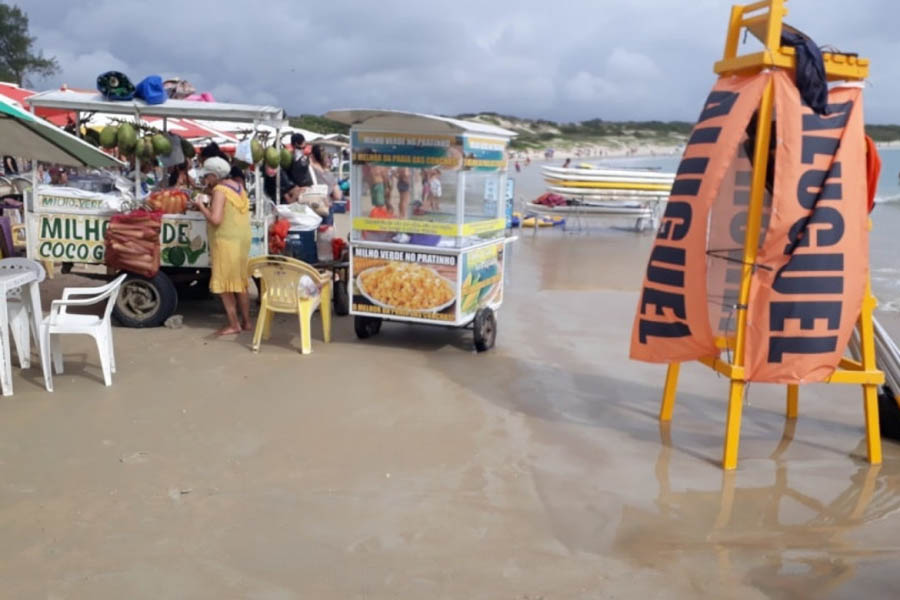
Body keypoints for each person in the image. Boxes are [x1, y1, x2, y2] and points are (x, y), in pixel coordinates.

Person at [192, 157, 252, 336]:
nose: (205, 180)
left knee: (225, 284)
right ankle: (247, 322)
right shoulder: (238, 186)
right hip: (241, 239)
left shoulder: (219, 190)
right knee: (240, 282)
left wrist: (201, 206)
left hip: (226, 241)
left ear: (213, 175)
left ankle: (234, 324)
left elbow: (216, 220)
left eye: (207, 177)